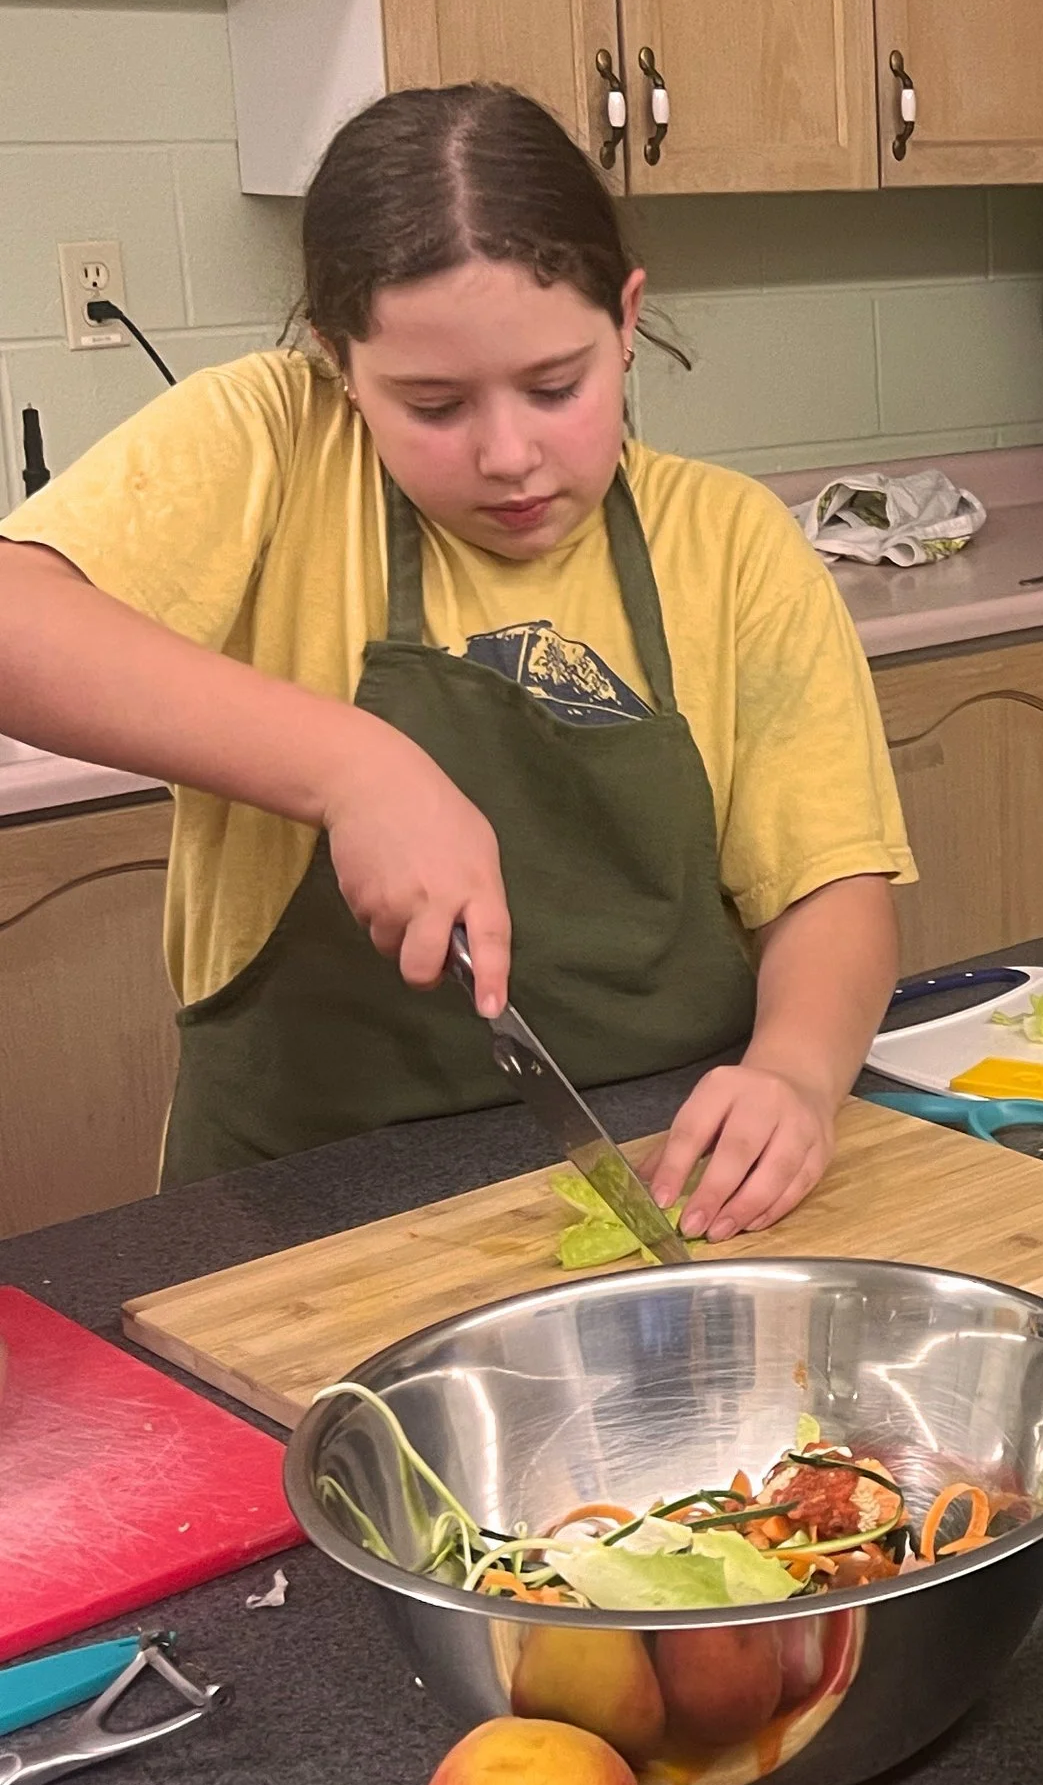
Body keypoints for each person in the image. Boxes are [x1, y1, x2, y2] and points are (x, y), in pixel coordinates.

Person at [0, 84, 910, 1237]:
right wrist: (354, 767)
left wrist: (794, 1074)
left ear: (627, 319)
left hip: (671, 1180)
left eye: (556, 386)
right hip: (294, 1207)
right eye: (432, 404)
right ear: (339, 362)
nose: (509, 455)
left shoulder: (728, 543)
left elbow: (831, 887)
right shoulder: (276, 450)